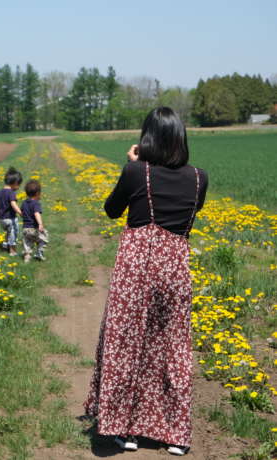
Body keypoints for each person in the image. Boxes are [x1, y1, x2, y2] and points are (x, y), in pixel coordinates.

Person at [83, 107, 208, 456]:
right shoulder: (200, 177)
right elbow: (189, 214)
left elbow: (111, 209)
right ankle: (175, 434)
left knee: (127, 343)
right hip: (175, 269)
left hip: (136, 269)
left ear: (147, 138)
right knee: (172, 346)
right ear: (180, 138)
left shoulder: (137, 171)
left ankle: (126, 429)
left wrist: (131, 164)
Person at [0, 167, 23, 256]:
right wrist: (21, 213)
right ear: (14, 183)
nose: (18, 187)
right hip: (10, 219)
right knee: (13, 233)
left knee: (8, 232)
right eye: (18, 185)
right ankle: (12, 251)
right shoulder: (11, 193)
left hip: (2, 219)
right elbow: (13, 204)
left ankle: (5, 245)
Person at [20, 180, 48, 262]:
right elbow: (36, 214)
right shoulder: (36, 203)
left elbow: (22, 213)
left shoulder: (24, 203)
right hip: (33, 228)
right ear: (37, 193)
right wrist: (40, 224)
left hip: (25, 229)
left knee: (27, 243)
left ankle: (27, 256)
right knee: (44, 237)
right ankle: (39, 252)